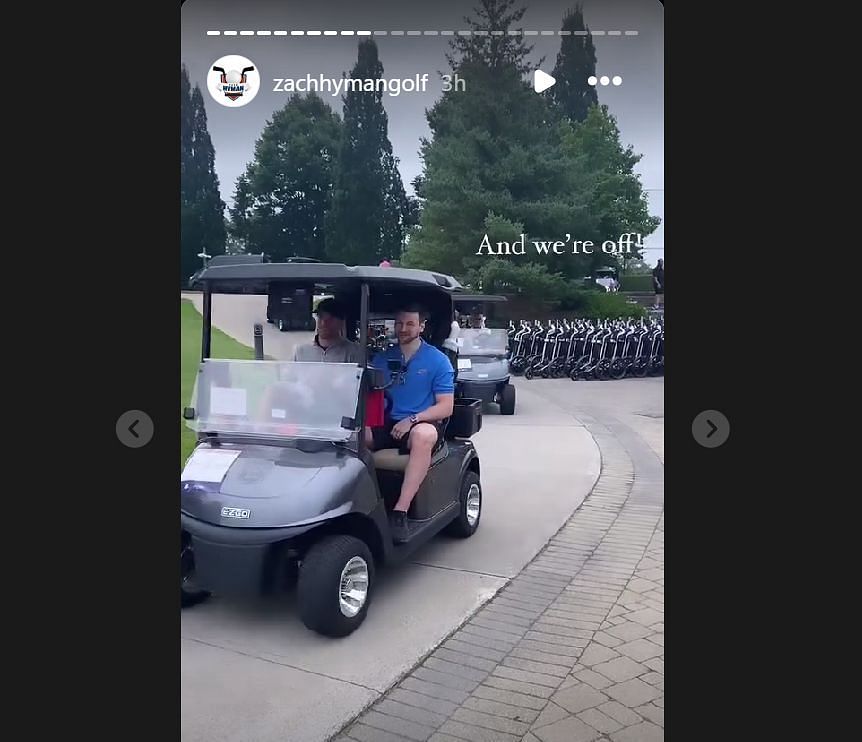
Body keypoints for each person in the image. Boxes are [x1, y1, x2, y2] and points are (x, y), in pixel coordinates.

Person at [366, 304, 455, 542]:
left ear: (422, 326)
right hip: (388, 420)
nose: (403, 329)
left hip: (421, 421)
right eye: (399, 323)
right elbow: (371, 396)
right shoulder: (383, 358)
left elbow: (445, 406)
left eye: (409, 324)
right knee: (356, 434)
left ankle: (400, 511)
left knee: (423, 436)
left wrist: (412, 419)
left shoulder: (438, 361)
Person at [292, 297, 362, 363]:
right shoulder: (301, 352)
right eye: (321, 317)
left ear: (342, 322)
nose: (323, 323)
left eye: (330, 319)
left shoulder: (354, 353)